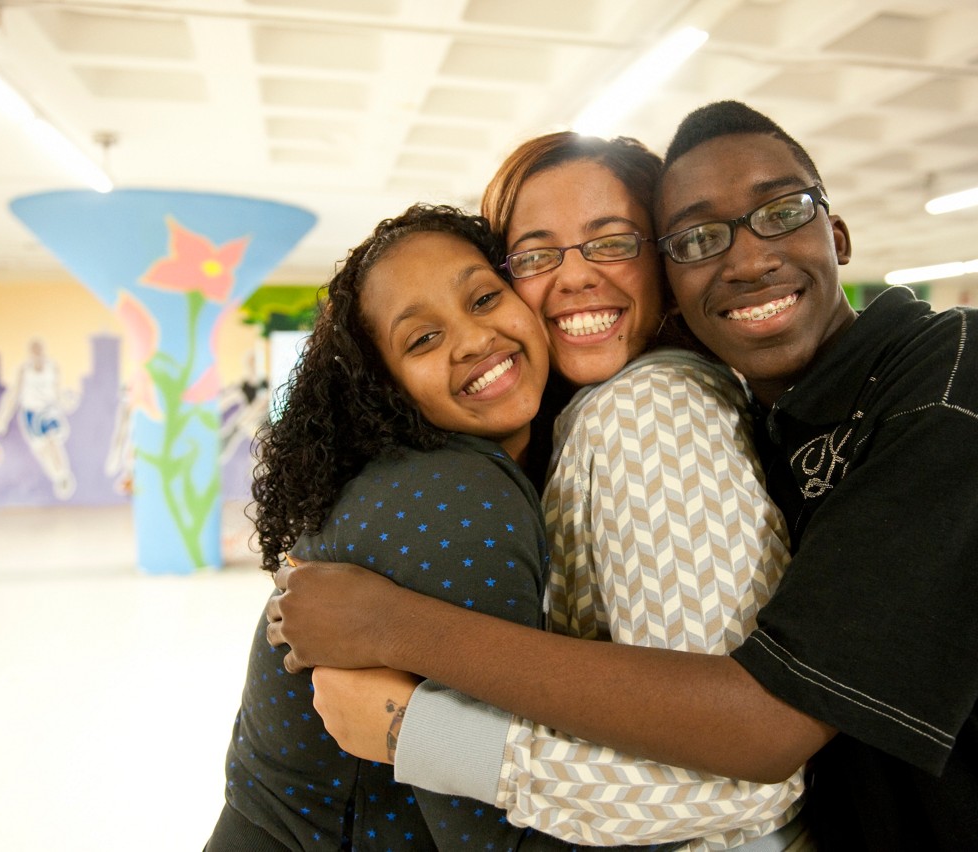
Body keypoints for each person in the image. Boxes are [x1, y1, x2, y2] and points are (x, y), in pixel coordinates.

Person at [266, 101, 978, 848]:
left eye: (611, 240)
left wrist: (409, 696)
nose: (744, 258)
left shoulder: (958, 369)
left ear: (839, 232)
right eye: (534, 256)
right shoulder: (770, 414)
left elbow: (759, 735)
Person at [307, 132, 806, 850]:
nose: (573, 279)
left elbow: (735, 779)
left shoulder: (645, 415)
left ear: (664, 257)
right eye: (538, 256)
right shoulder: (591, 417)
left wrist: (417, 733)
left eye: (611, 242)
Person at [207, 203, 564, 850]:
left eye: (484, 298)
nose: (474, 339)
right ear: (385, 388)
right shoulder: (456, 495)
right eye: (421, 339)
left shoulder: (435, 471)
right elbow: (497, 834)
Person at [0, 337, 77, 499]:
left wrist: (66, 402)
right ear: (30, 352)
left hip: (48, 411)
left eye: (39, 348)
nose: (36, 352)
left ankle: (63, 475)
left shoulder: (52, 367)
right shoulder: (24, 370)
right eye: (33, 349)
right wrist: (1, 419)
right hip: (31, 413)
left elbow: (57, 390)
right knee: (42, 450)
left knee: (53, 441)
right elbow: (13, 395)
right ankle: (57, 476)